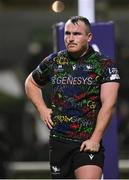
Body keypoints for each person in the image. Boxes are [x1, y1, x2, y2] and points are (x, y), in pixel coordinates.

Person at [24, 16, 120, 179]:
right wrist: (42, 109)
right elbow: (30, 83)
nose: (70, 38)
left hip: (87, 142)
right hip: (59, 141)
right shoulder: (55, 61)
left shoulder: (104, 65)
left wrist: (95, 139)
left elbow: (109, 104)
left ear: (89, 37)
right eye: (67, 33)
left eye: (76, 34)